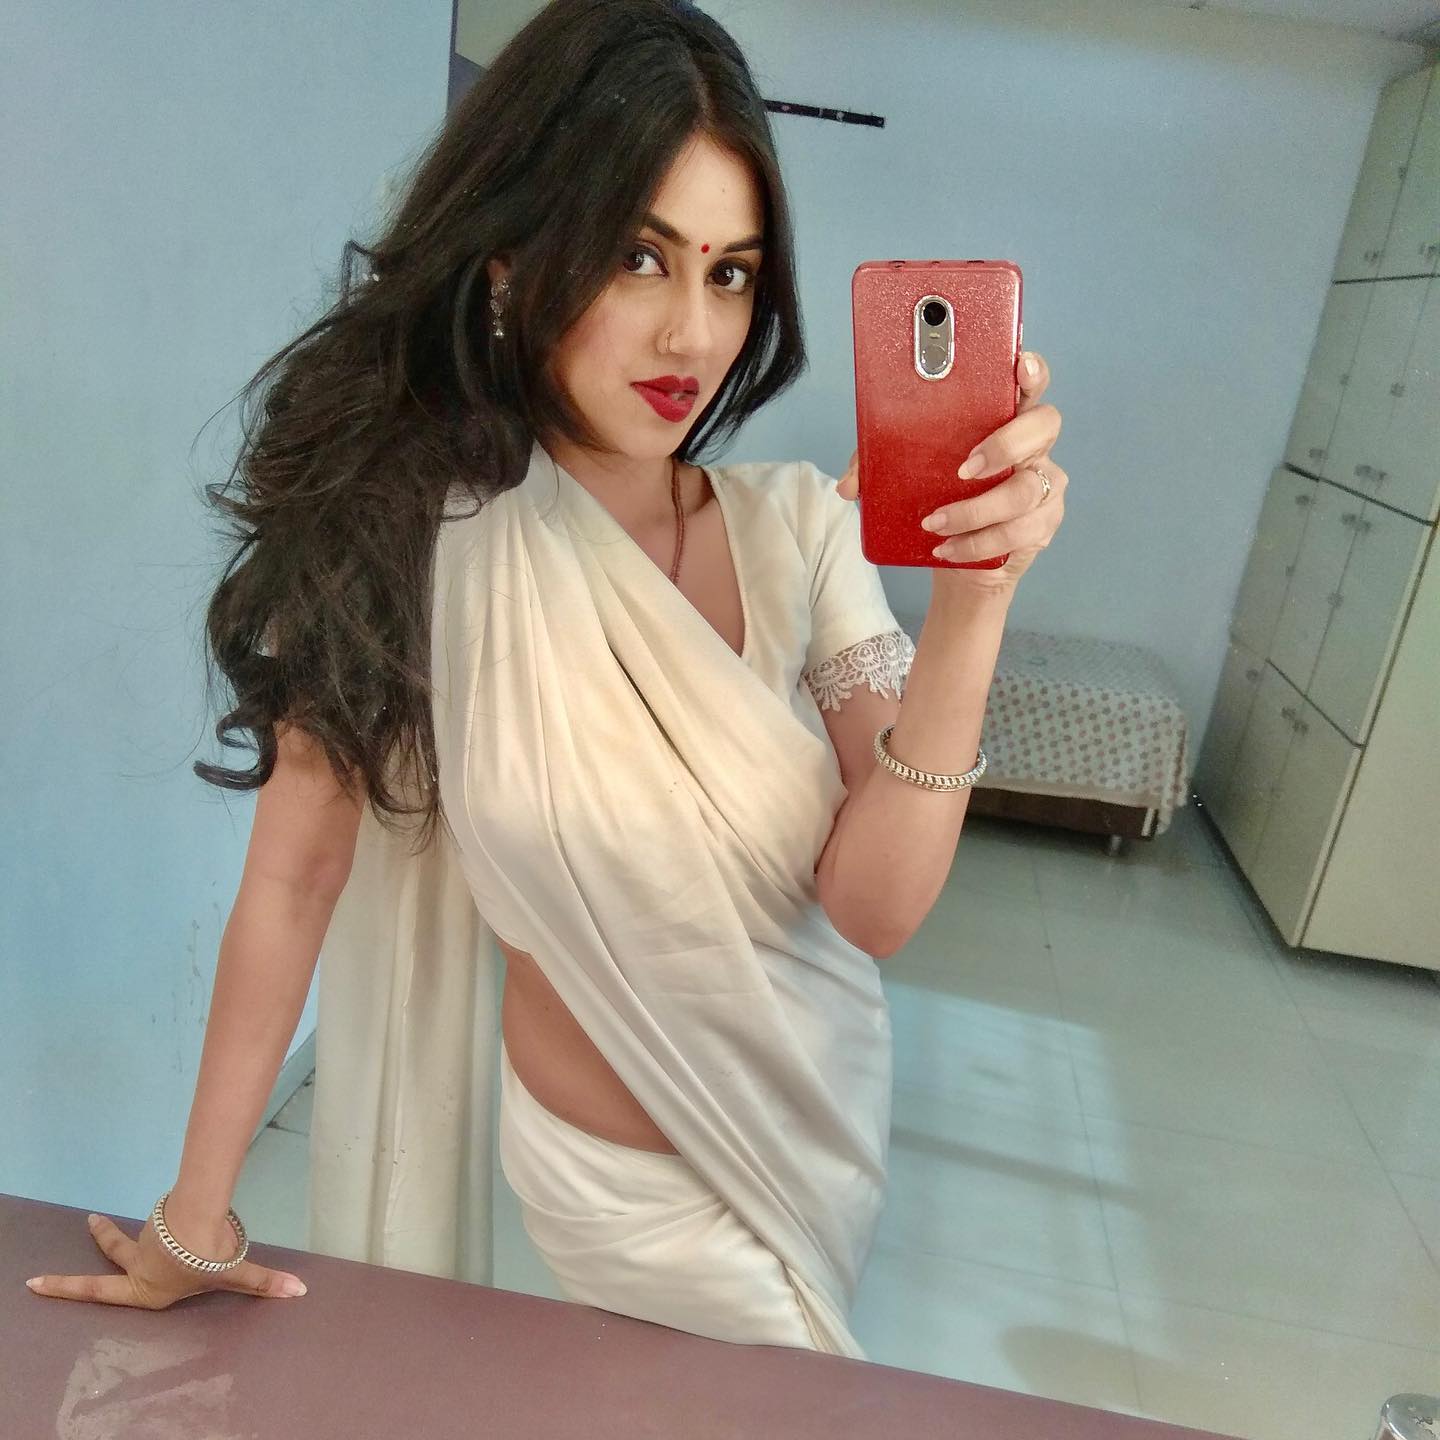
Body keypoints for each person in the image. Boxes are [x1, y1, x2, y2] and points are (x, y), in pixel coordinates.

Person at [27, 0, 1065, 1355]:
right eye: (640, 257)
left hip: (812, 1134)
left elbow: (873, 909)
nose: (692, 335)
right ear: (512, 262)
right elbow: (293, 880)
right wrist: (195, 1218)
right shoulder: (420, 545)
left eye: (731, 274)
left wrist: (977, 607)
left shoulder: (801, 530)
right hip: (614, 1194)